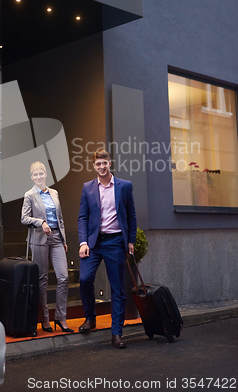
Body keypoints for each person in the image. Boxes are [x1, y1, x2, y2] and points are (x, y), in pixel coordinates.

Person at [78, 149, 137, 348]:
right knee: (85, 279)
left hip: (115, 242)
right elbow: (83, 217)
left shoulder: (124, 186)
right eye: (98, 164)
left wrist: (131, 241)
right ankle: (90, 317)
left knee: (117, 288)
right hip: (93, 243)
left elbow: (131, 215)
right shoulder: (88, 188)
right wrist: (83, 242)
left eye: (104, 163)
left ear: (109, 163)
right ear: (94, 166)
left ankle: (116, 333)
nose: (101, 167)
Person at [21, 161, 74, 333]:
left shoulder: (54, 193)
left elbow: (60, 217)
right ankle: (44, 319)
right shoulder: (29, 195)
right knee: (42, 279)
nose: (38, 177)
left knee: (63, 277)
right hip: (38, 239)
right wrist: (41, 222)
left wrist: (64, 239)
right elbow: (24, 218)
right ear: (31, 177)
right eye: (35, 175)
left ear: (45, 175)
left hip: (57, 237)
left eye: (40, 174)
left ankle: (60, 317)